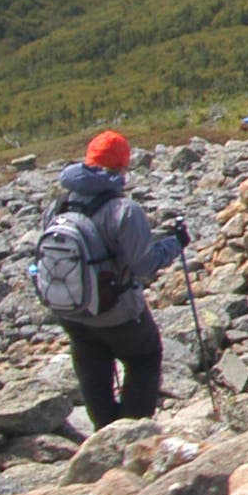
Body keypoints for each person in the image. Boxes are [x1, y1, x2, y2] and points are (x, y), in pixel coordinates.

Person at [39, 130, 188, 426]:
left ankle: (104, 431)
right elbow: (143, 264)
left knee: (92, 368)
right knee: (144, 358)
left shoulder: (57, 205)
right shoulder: (124, 210)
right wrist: (175, 243)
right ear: (123, 166)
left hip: (72, 309)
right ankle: (130, 432)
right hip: (117, 311)